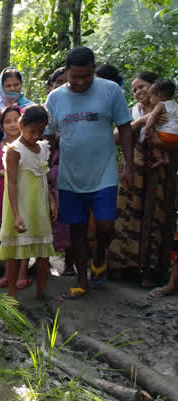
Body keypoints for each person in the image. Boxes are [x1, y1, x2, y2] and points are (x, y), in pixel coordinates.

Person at [45, 47, 134, 299]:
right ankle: (83, 280)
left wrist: (128, 163)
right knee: (77, 229)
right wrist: (45, 168)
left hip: (103, 172)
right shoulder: (55, 98)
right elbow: (49, 136)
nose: (82, 82)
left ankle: (100, 255)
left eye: (87, 76)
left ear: (94, 69)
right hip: (70, 175)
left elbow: (125, 127)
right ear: (67, 72)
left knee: (105, 226)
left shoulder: (111, 91)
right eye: (76, 77)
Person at [109, 71, 172, 284]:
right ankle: (123, 267)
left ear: (155, 87)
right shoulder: (132, 112)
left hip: (159, 173)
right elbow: (116, 138)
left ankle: (151, 271)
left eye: (142, 86)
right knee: (127, 216)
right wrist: (142, 121)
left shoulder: (169, 110)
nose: (137, 92)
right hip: (132, 172)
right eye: (134, 89)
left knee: (155, 217)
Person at [0, 105, 56, 299]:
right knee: (16, 253)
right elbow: (11, 183)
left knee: (42, 250)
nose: (36, 136)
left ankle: (42, 291)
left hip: (39, 207)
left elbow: (43, 178)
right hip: (21, 207)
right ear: (21, 125)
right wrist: (15, 214)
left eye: (41, 131)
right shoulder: (15, 150)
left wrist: (51, 201)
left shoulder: (43, 148)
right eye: (32, 131)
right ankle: (12, 294)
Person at [0, 106, 31, 290]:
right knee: (6, 237)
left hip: (26, 197)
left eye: (16, 120)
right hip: (3, 197)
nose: (12, 125)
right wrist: (4, 172)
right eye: (7, 121)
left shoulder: (30, 145)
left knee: (24, 236)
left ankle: (22, 274)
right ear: (1, 126)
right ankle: (7, 274)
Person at [0, 68, 34, 214]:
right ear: (1, 87)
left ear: (22, 85)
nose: (13, 89)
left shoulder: (30, 107)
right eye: (8, 86)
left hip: (23, 161)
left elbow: (34, 134)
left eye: (16, 85)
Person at [45, 67, 75, 277]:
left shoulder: (77, 111)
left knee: (72, 218)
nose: (64, 85)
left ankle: (70, 264)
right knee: (46, 217)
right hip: (49, 172)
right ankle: (43, 262)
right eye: (59, 82)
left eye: (67, 81)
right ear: (51, 86)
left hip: (73, 172)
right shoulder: (44, 114)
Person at [143, 78, 178, 168]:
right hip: (175, 135)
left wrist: (147, 129)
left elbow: (152, 116)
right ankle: (166, 158)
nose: (150, 99)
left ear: (159, 95)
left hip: (165, 135)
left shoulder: (161, 105)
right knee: (163, 139)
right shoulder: (174, 104)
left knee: (150, 138)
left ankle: (159, 158)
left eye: (151, 96)